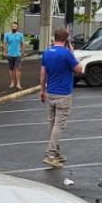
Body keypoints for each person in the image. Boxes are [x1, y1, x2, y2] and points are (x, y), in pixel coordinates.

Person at [39, 26, 82, 169]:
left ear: (55, 37)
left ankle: (56, 152)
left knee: (52, 125)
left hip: (50, 92)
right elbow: (79, 70)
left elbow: (43, 74)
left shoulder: (47, 53)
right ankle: (51, 155)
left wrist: (42, 90)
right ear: (66, 39)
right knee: (59, 125)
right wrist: (72, 53)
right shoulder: (66, 54)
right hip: (63, 94)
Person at [4, 22, 25, 90]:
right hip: (10, 54)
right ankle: (12, 82)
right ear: (11, 27)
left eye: (15, 26)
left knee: (18, 69)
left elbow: (22, 44)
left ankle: (18, 83)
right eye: (13, 26)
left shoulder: (20, 35)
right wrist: (5, 52)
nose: (14, 27)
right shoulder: (7, 35)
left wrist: (22, 52)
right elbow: (4, 44)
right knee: (11, 69)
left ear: (17, 27)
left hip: (18, 55)